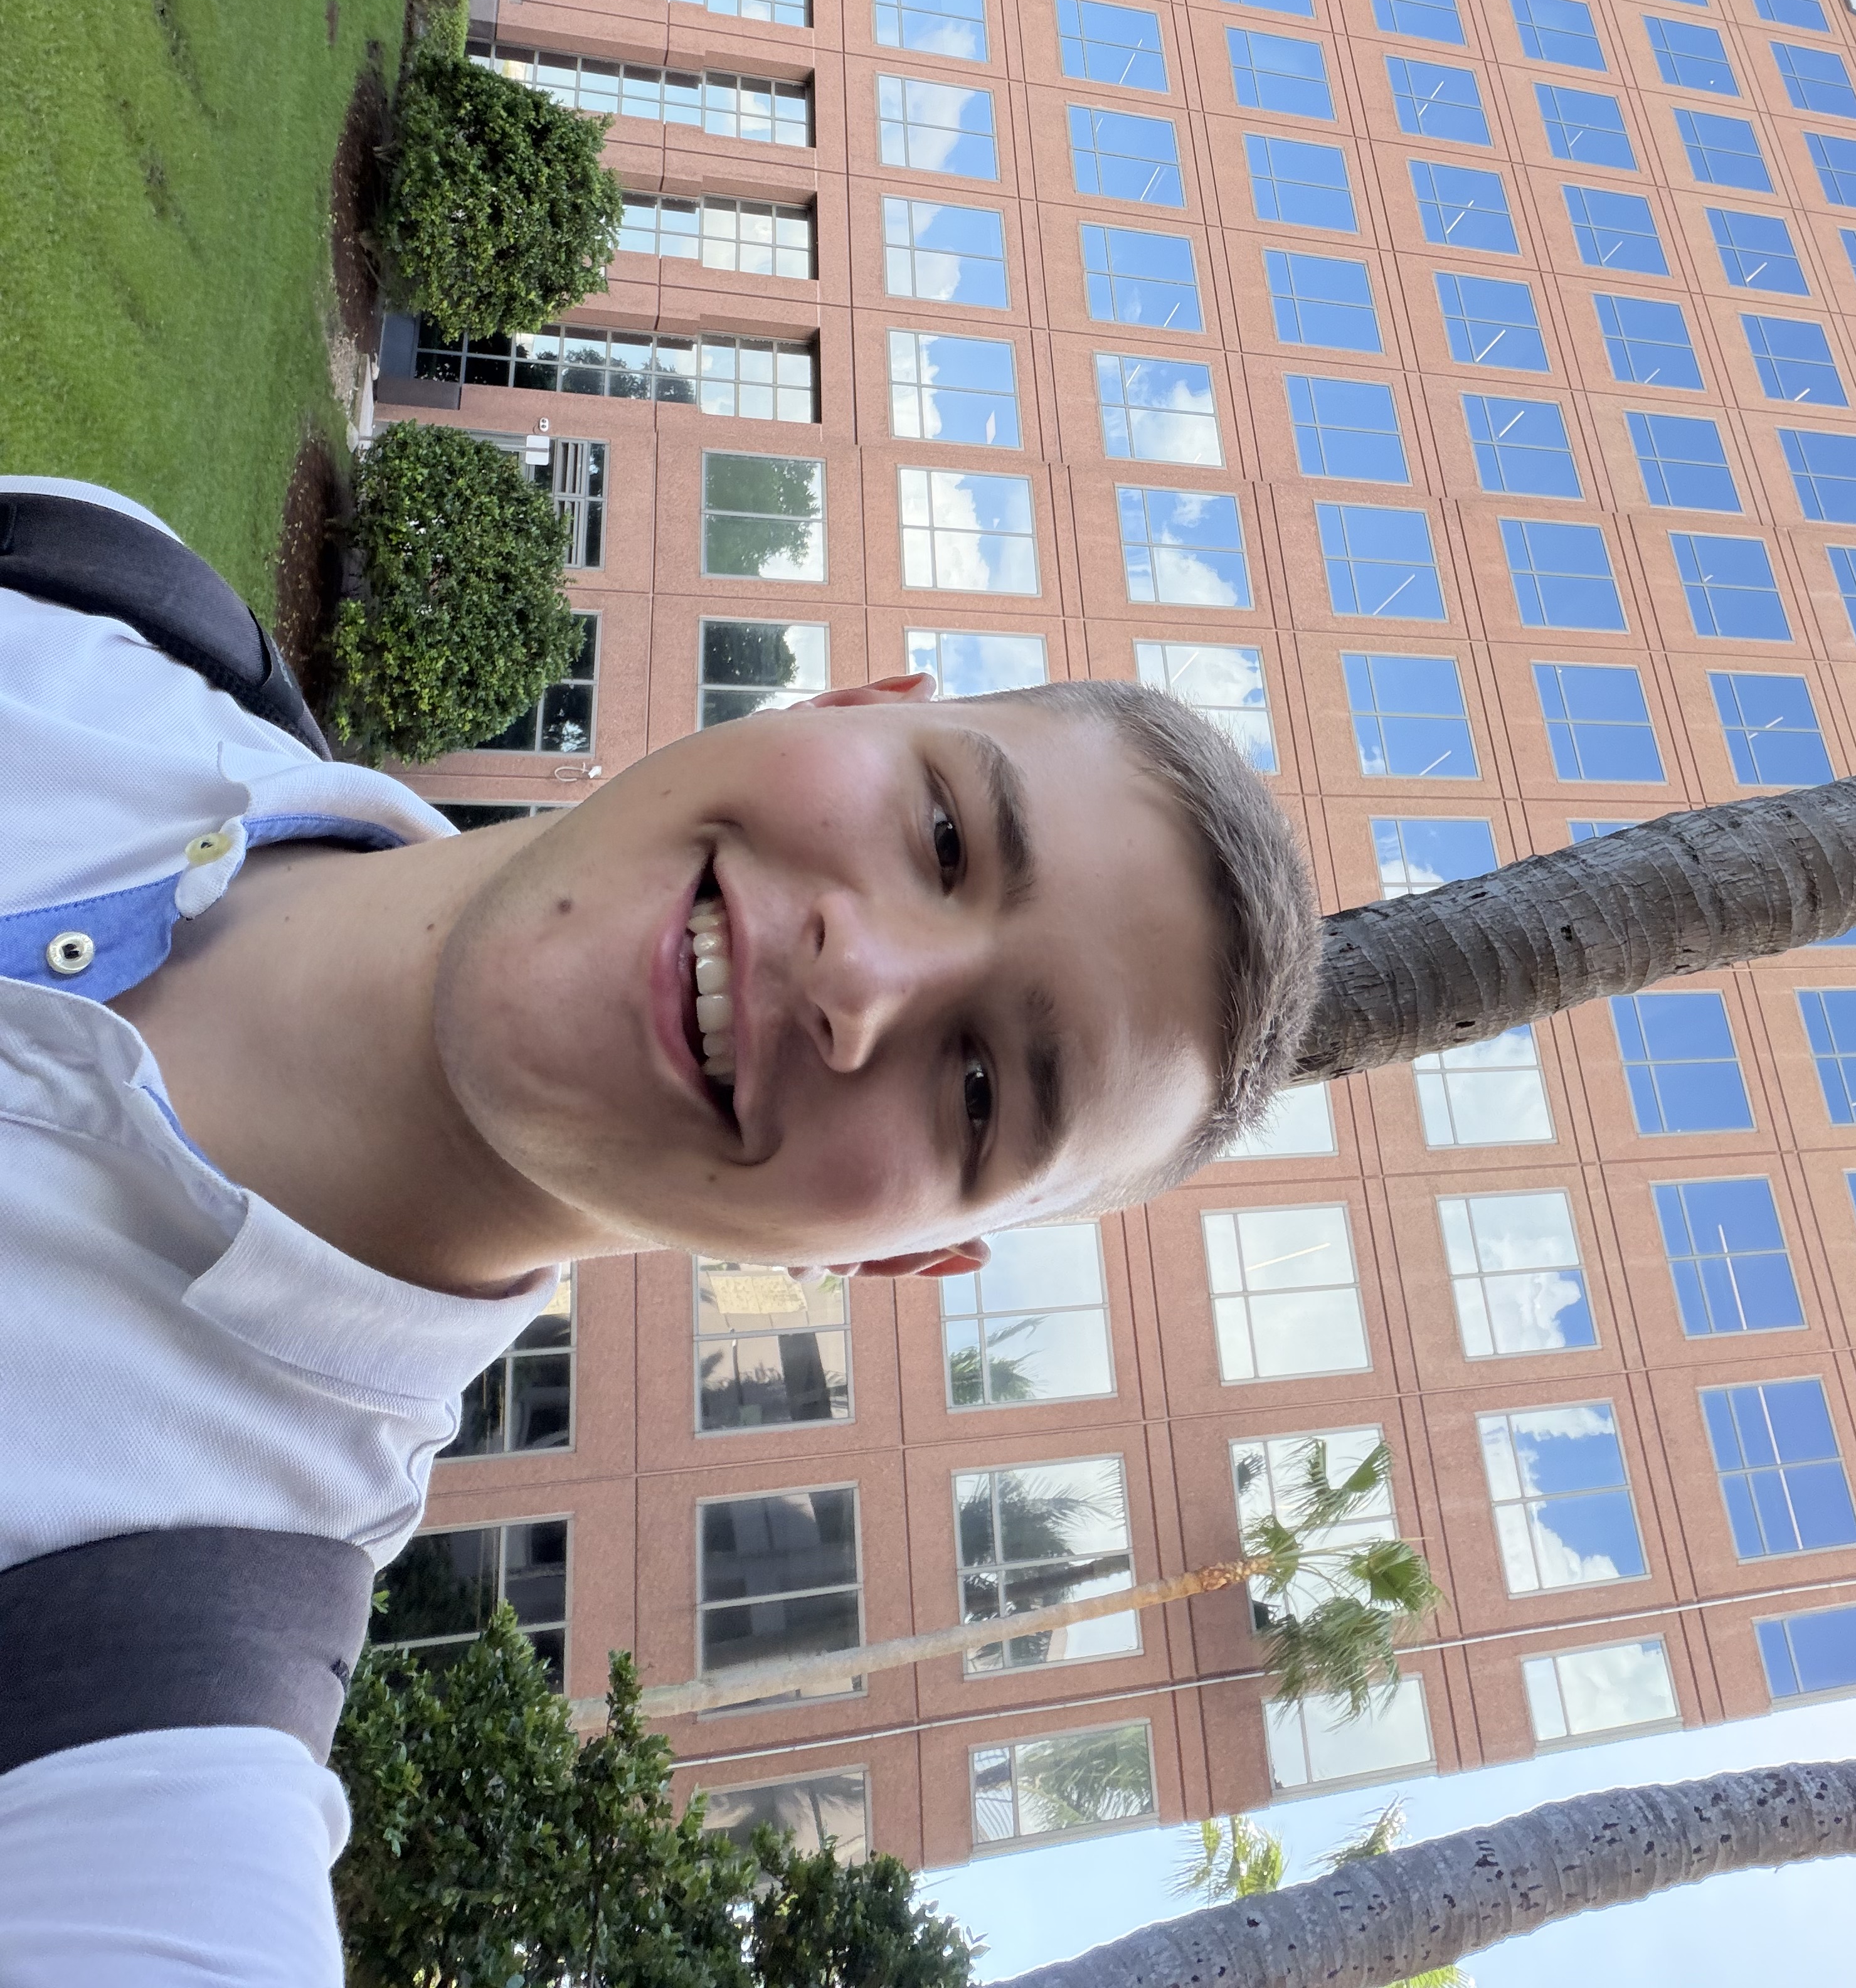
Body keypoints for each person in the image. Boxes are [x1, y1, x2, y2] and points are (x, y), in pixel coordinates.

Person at [0, 475, 1323, 1985]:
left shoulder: (147, 1722)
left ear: (887, 1262)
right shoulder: (98, 584)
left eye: (977, 1093)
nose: (862, 979)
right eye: (945, 832)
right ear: (851, 701)